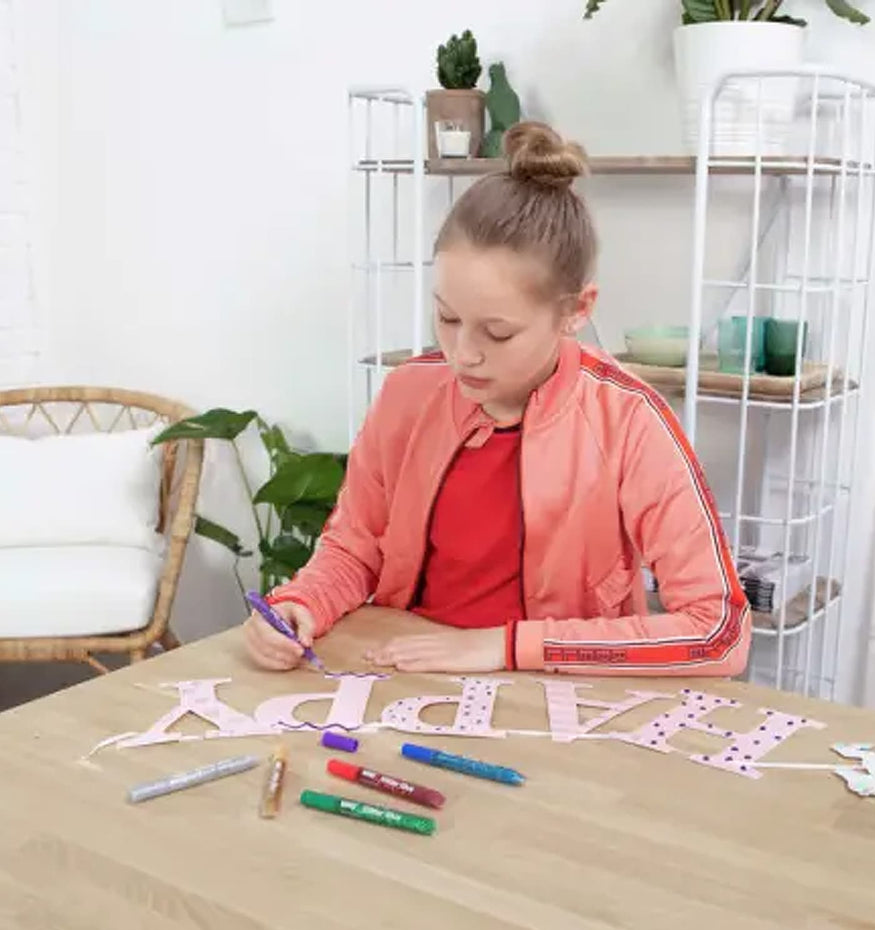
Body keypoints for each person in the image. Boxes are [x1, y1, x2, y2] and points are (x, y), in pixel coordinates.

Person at [243, 121, 750, 677]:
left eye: (498, 332)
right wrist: (302, 602)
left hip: (554, 703)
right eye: (447, 317)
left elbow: (719, 632)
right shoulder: (409, 392)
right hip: (396, 677)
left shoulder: (630, 420)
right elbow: (355, 546)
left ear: (576, 311)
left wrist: (506, 648)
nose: (463, 354)